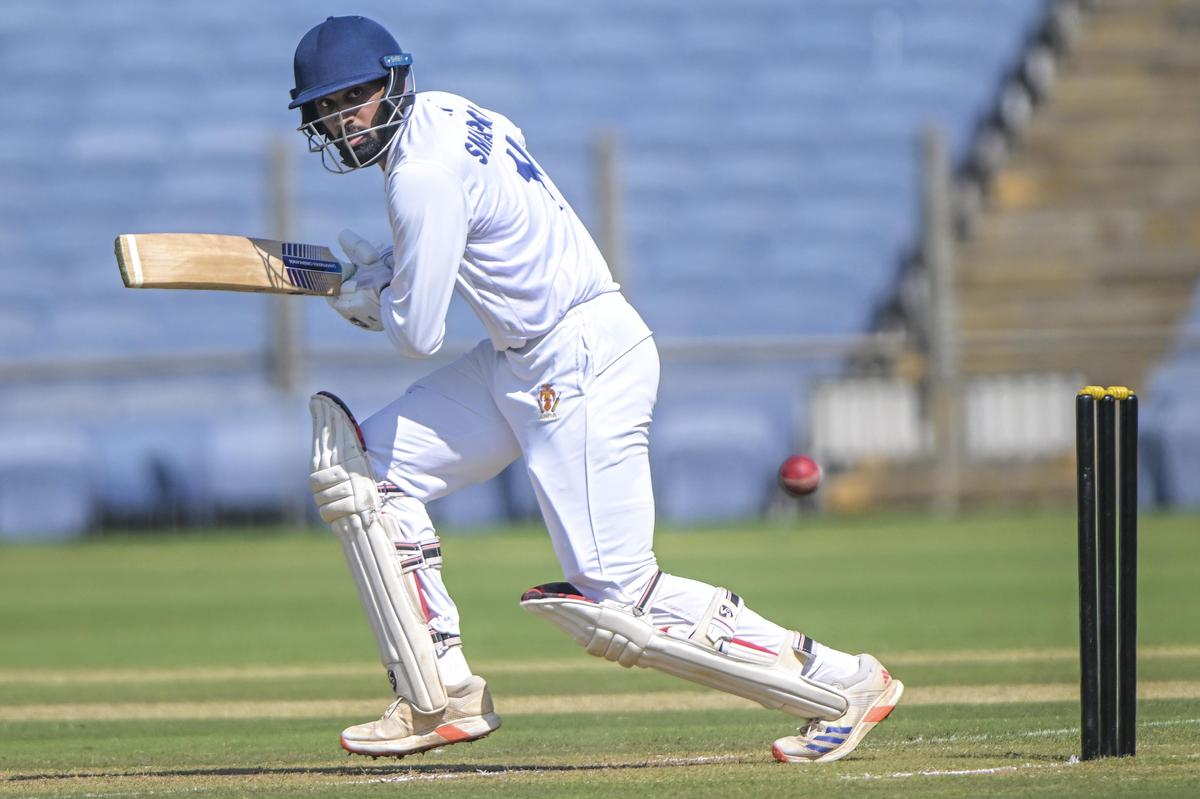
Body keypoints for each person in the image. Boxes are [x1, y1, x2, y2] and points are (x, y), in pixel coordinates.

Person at [290, 15, 902, 764]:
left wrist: (370, 301)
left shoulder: (417, 175)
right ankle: (437, 693)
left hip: (576, 361)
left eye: (355, 97)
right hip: (524, 356)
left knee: (619, 600)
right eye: (327, 107)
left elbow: (416, 332)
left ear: (393, 80)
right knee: (363, 473)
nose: (344, 120)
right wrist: (388, 269)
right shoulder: (453, 113)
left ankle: (845, 683)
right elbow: (478, 227)